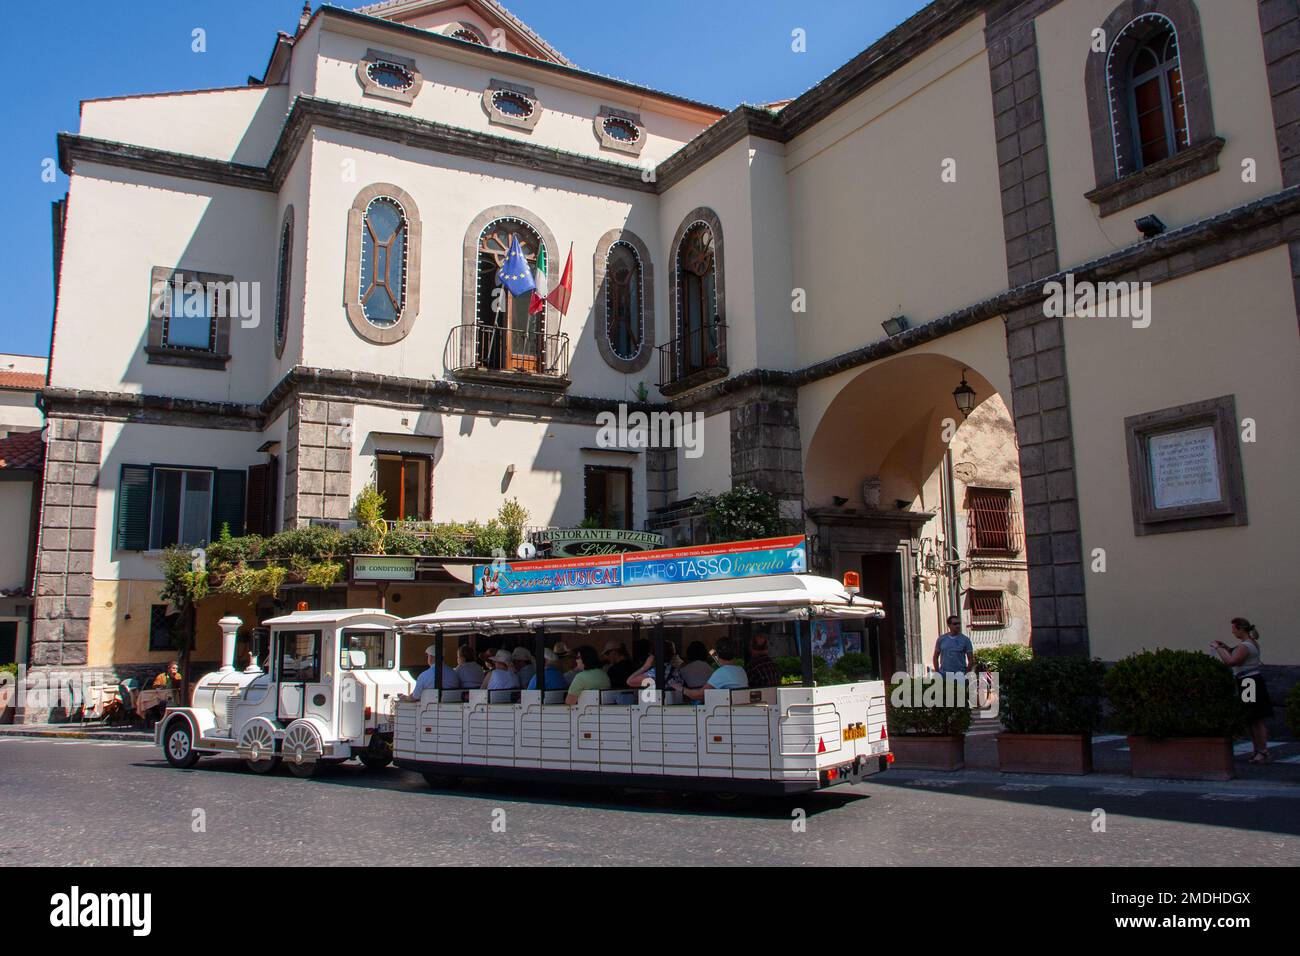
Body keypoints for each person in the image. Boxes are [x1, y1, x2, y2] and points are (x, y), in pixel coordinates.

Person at [1211, 617, 1273, 764]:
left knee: (1255, 718)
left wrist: (1218, 648)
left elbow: (1232, 662)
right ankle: (1258, 750)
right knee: (1251, 718)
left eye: (1233, 629)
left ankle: (1262, 751)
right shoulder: (1250, 643)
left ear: (1240, 629)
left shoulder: (1245, 646)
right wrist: (1226, 647)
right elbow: (1236, 655)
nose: (1233, 632)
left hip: (1249, 682)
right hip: (1249, 681)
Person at [683, 638, 748, 701]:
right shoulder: (741, 670)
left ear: (717, 654)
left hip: (727, 709)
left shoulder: (722, 672)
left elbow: (700, 695)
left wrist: (681, 689)